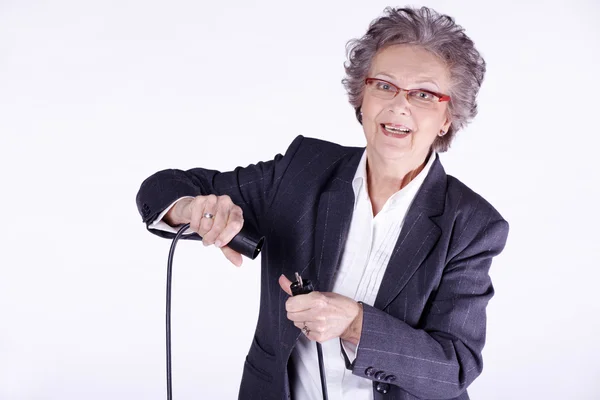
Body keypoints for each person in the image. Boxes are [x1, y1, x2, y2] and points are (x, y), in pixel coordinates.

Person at [135, 6, 509, 400]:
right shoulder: (303, 170)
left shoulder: (472, 224)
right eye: (384, 85)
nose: (400, 105)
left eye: (423, 94)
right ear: (361, 97)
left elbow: (453, 368)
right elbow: (164, 187)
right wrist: (192, 209)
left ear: (448, 117)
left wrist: (355, 323)